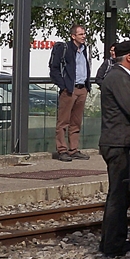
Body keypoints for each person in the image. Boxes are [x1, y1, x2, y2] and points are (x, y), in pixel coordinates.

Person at [99, 39, 130, 257]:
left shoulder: (118, 76)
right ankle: (113, 245)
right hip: (119, 143)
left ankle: (111, 241)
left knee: (119, 195)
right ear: (128, 57)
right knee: (118, 196)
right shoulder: (119, 78)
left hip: (119, 142)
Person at [48, 24, 94, 161]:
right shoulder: (65, 49)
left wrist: (86, 87)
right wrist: (64, 86)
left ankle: (73, 149)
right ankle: (62, 150)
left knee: (76, 122)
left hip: (82, 88)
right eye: (81, 34)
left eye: (84, 34)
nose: (84, 36)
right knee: (63, 121)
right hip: (69, 90)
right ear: (73, 36)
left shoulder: (85, 49)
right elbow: (54, 69)